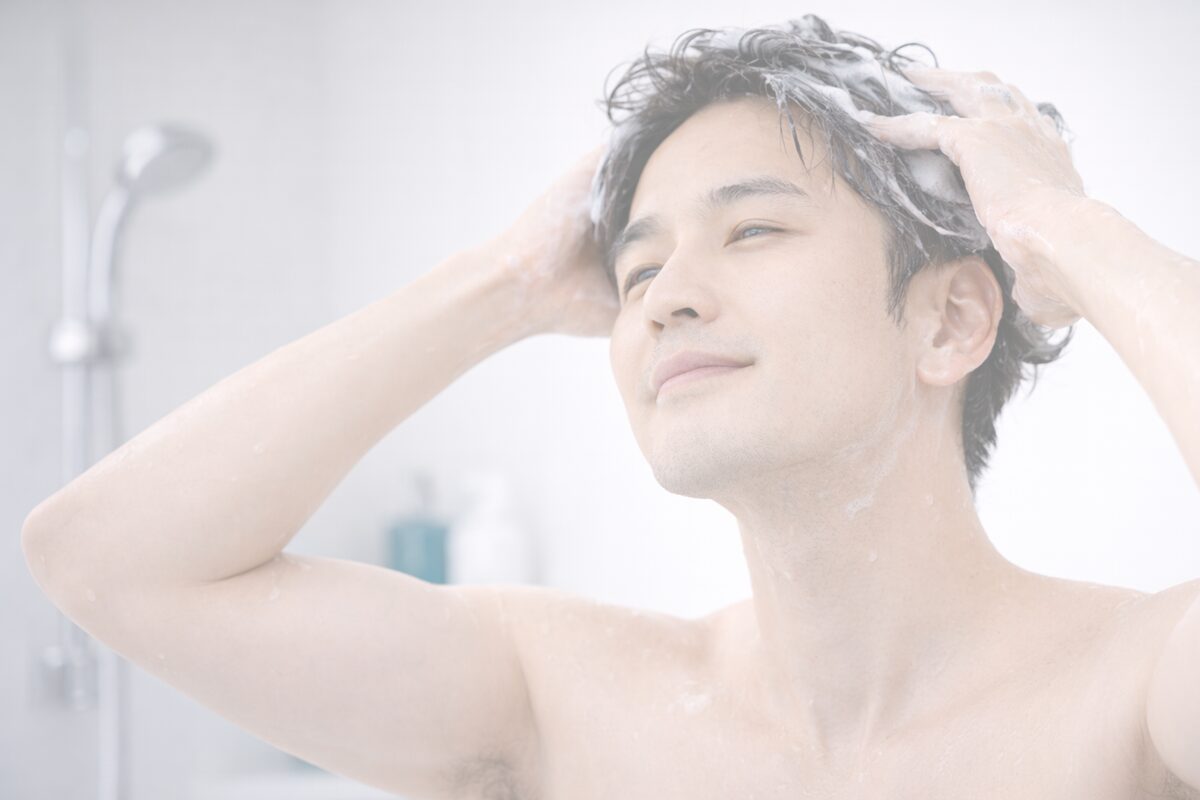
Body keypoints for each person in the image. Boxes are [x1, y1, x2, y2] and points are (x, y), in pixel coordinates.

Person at [20, 14, 1200, 799]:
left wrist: (1067, 233)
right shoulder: (564, 702)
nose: (667, 297)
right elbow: (107, 559)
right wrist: (505, 283)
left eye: (752, 229)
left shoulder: (1135, 697)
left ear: (949, 321)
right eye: (636, 271)